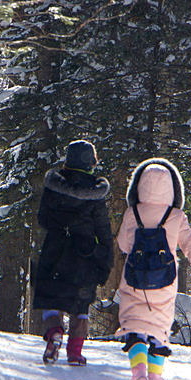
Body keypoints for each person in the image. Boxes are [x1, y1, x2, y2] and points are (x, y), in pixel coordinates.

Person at [115, 158, 191, 380]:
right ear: (173, 187)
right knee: (159, 327)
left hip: (134, 278)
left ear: (138, 185)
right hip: (165, 280)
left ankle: (138, 373)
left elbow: (123, 244)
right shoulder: (176, 216)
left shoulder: (132, 213)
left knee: (135, 325)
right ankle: (156, 376)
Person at [33, 140, 113, 365]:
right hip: (84, 254)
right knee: (81, 302)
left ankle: (54, 334)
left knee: (51, 295)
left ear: (67, 160)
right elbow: (103, 229)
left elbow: (43, 218)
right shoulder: (96, 192)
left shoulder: (54, 185)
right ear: (91, 161)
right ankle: (75, 352)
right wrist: (105, 259)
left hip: (56, 249)